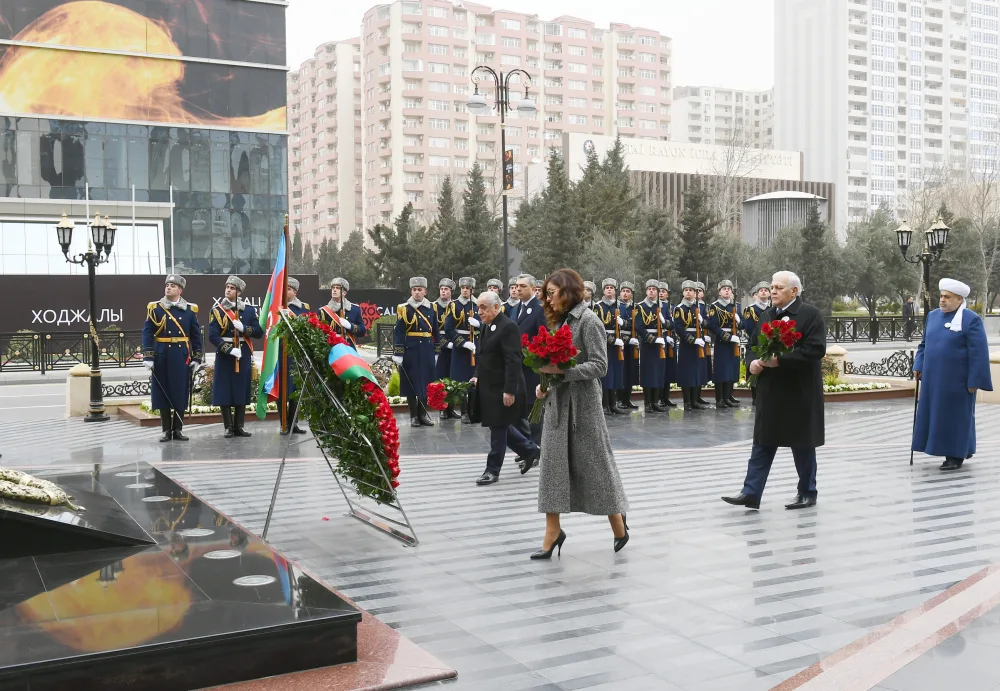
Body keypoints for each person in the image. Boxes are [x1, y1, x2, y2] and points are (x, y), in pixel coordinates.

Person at [532, 268, 630, 559]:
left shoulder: (589, 321)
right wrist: (544, 387)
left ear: (568, 291)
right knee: (551, 468)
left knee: (596, 467)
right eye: (546, 295)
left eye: (552, 293)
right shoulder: (556, 322)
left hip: (584, 406)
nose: (548, 300)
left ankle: (618, 523)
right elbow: (550, 363)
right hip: (557, 406)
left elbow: (601, 366)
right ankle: (552, 531)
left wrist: (564, 371)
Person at [722, 271, 825, 511]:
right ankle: (751, 492)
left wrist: (782, 360)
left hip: (799, 390)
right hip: (771, 390)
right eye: (772, 286)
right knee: (763, 442)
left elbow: (816, 349)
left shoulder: (810, 314)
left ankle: (807, 492)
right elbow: (753, 345)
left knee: (802, 443)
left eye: (779, 287)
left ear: (795, 291)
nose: (773, 291)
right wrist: (752, 363)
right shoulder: (767, 314)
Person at [912, 278, 993, 471]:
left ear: (959, 299)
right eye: (941, 296)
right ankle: (963, 448)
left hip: (958, 381)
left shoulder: (971, 319)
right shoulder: (932, 316)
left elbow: (979, 353)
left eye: (947, 297)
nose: (942, 300)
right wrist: (919, 363)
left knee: (956, 417)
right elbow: (924, 345)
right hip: (933, 380)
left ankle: (955, 456)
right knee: (935, 416)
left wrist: (974, 380)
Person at [469, 291, 541, 485]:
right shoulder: (487, 326)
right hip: (489, 386)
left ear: (496, 307)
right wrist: (476, 376)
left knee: (499, 427)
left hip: (503, 387)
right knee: (497, 424)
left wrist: (509, 390)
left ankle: (492, 470)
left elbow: (513, 361)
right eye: (479, 307)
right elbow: (483, 356)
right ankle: (529, 449)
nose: (480, 311)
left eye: (484, 307)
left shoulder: (508, 327)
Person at [142, 274, 202, 442]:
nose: (168, 287)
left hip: (181, 355)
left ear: (180, 290)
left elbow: (196, 335)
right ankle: (166, 430)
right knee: (163, 392)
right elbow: (147, 332)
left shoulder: (190, 310)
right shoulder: (156, 308)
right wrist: (148, 355)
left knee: (179, 392)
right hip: (162, 354)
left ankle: (178, 429)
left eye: (173, 286)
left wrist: (197, 357)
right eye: (167, 284)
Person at [209, 275, 264, 438]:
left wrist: (244, 328)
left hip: (243, 353)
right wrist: (228, 349)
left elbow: (258, 332)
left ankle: (239, 426)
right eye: (227, 287)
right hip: (226, 355)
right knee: (224, 389)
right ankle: (228, 427)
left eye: (232, 288)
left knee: (241, 388)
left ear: (239, 292)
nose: (228, 290)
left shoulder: (248, 310)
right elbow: (213, 335)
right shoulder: (217, 310)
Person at [393, 277, 438, 428]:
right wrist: (399, 352)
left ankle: (423, 413)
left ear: (425, 291)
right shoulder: (404, 308)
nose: (417, 293)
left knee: (426, 382)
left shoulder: (432, 308)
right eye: (414, 290)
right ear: (411, 291)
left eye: (420, 290)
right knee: (411, 382)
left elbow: (436, 331)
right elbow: (399, 331)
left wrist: (437, 350)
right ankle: (414, 416)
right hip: (410, 350)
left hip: (426, 349)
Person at [514, 273, 546, 448]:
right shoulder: (514, 308)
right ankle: (527, 448)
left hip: (532, 367)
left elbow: (543, 337)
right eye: (517, 286)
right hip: (517, 366)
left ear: (534, 289)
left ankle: (536, 446)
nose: (518, 289)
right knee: (521, 409)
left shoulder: (539, 309)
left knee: (534, 409)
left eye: (523, 286)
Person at [445, 277, 479, 423]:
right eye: (463, 287)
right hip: (461, 348)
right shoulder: (454, 305)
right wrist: (462, 343)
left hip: (475, 346)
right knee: (461, 381)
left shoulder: (478, 305)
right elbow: (448, 329)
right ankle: (464, 411)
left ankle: (473, 411)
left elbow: (487, 324)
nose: (465, 290)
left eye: (468, 288)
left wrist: (479, 325)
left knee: (474, 379)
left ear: (473, 290)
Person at [673, 280, 709, 410]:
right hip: (687, 344)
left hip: (700, 342)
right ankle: (687, 401)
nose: (688, 292)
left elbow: (708, 323)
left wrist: (703, 321)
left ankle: (695, 400)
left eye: (691, 290)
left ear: (695, 293)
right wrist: (692, 340)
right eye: (686, 290)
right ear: (683, 292)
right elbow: (678, 328)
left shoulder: (699, 307)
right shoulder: (679, 309)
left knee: (697, 372)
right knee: (687, 372)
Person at [281, 277, 310, 435]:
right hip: (280, 351)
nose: (286, 292)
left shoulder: (302, 308)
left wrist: (291, 317)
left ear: (295, 292)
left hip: (295, 352)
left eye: (289, 289)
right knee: (281, 390)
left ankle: (294, 423)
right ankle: (283, 424)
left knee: (295, 389)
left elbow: (306, 327)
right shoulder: (276, 307)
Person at [635, 279, 668, 413]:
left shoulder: (661, 307)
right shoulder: (640, 306)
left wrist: (664, 321)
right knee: (648, 373)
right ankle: (648, 402)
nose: (651, 291)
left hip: (660, 342)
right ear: (646, 291)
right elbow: (639, 327)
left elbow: (670, 323)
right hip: (648, 344)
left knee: (658, 372)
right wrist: (653, 339)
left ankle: (655, 402)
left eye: (654, 289)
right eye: (649, 289)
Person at [708, 280, 743, 408]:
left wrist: (739, 321)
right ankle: (720, 399)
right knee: (721, 370)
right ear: (719, 291)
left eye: (729, 288)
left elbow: (743, 324)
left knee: (731, 369)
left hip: (733, 341)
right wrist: (728, 337)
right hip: (723, 341)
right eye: (724, 288)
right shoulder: (715, 306)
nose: (727, 290)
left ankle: (728, 396)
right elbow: (713, 326)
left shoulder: (736, 306)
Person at [594, 278, 626, 415]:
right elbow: (598, 328)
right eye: (607, 287)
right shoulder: (598, 306)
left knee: (616, 374)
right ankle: (605, 404)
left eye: (611, 288)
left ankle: (613, 404)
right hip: (605, 343)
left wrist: (623, 322)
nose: (609, 290)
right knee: (606, 375)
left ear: (615, 290)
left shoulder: (620, 306)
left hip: (618, 344)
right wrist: (613, 340)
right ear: (603, 290)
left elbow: (629, 325)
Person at [742, 281, 771, 405]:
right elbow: (749, 327)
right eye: (761, 290)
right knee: (755, 367)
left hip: (769, 341)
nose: (764, 291)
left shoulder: (772, 309)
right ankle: (755, 396)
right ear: (757, 294)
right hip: (756, 341)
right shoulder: (751, 309)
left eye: (766, 290)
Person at [433, 278, 458, 419]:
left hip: (454, 343)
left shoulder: (455, 306)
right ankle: (442, 408)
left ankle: (451, 408)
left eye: (446, 289)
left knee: (452, 377)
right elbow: (432, 329)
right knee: (440, 377)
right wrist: (443, 343)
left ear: (451, 292)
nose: (443, 291)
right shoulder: (434, 306)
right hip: (439, 345)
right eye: (442, 289)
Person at [318, 278, 367, 349]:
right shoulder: (323, 311)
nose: (334, 290)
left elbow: (362, 331)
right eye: (333, 288)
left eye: (338, 288)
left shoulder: (354, 309)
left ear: (344, 293)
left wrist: (350, 326)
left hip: (349, 348)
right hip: (331, 348)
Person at [618, 281, 640, 411]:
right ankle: (620, 399)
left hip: (633, 342)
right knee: (621, 371)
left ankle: (627, 398)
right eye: (623, 291)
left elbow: (638, 324)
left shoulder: (635, 308)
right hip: (620, 341)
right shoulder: (617, 306)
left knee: (631, 371)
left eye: (628, 291)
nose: (625, 293)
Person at [658, 282, 678, 408]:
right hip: (660, 339)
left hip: (670, 340)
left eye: (663, 291)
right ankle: (659, 397)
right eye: (659, 291)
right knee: (661, 370)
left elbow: (673, 323)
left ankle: (666, 397)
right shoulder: (656, 306)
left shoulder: (672, 307)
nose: (661, 293)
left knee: (669, 370)